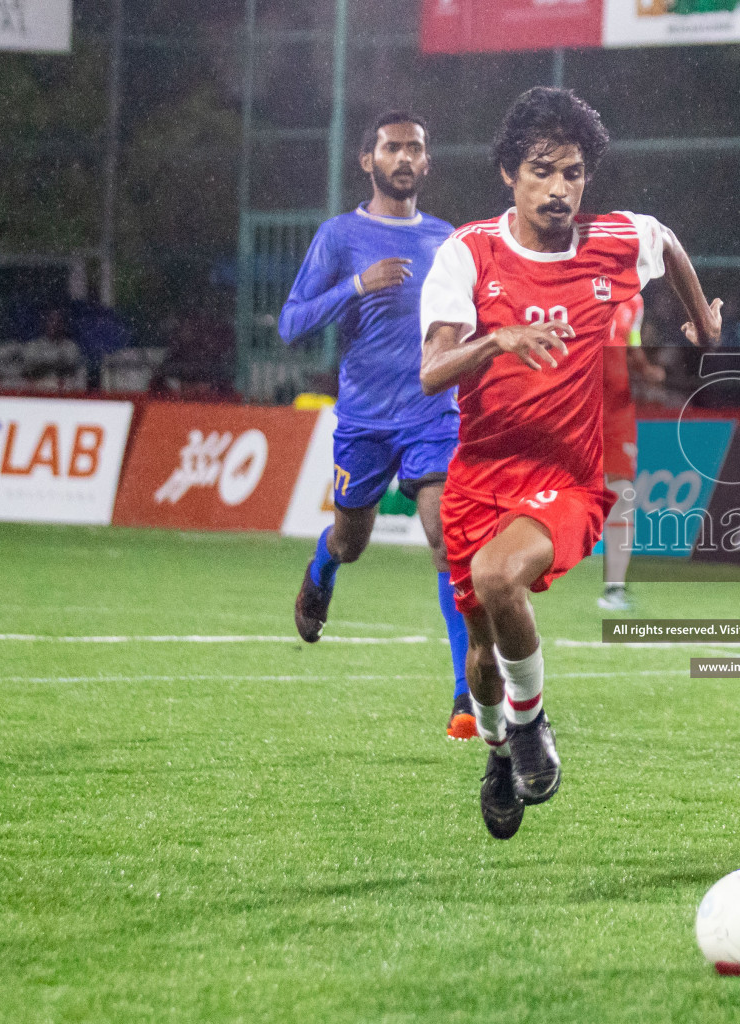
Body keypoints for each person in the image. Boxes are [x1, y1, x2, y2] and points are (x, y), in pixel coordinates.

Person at [418, 86, 722, 840]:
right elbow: (431, 371)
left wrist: (701, 316)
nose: (559, 188)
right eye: (541, 171)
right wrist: (498, 339)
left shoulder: (614, 243)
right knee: (483, 653)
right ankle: (499, 751)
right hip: (479, 480)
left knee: (498, 578)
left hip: (569, 481)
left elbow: (668, 240)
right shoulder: (470, 253)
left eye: (573, 173)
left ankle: (531, 725)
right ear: (508, 175)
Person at [278, 111, 475, 741]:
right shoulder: (339, 237)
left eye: (416, 147)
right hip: (363, 421)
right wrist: (355, 286)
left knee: (447, 539)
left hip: (432, 414)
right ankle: (321, 570)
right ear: (368, 160)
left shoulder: (450, 241)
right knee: (351, 540)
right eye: (392, 147)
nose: (405, 157)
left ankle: (464, 697)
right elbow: (290, 325)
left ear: (428, 161)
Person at [598, 293, 664, 612]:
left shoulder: (635, 302)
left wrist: (646, 370)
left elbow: (632, 347)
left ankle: (614, 588)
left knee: (622, 494)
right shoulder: (575, 281)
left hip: (617, 410)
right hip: (574, 405)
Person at [0, 309, 86, 392]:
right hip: (36, 386)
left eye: (59, 322)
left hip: (61, 387)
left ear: (63, 325)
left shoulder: (70, 346)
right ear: (46, 323)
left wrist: (46, 361)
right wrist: (47, 361)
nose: (55, 324)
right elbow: (30, 364)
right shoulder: (35, 344)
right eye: (52, 321)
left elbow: (68, 362)